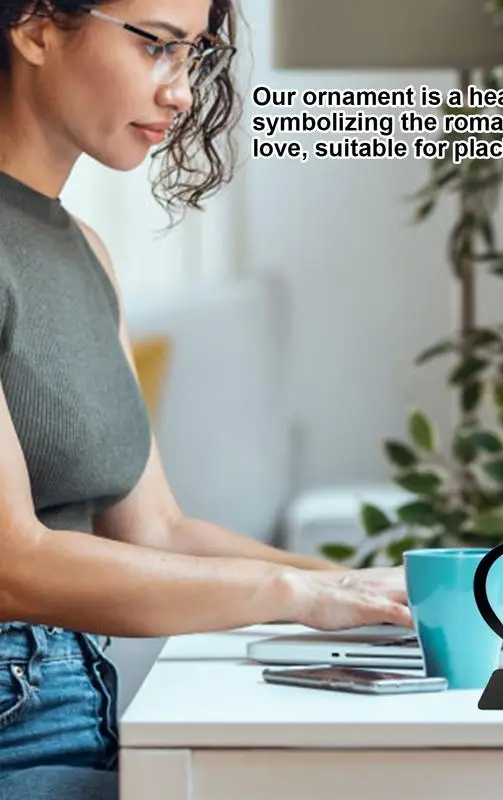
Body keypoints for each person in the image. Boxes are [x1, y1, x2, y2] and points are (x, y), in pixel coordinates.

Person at [0, 1, 412, 797]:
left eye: (193, 55)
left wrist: (364, 587)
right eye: (156, 46)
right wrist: (295, 596)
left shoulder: (84, 251)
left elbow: (160, 529)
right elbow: (15, 562)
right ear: (36, 27)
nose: (181, 92)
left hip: (83, 708)